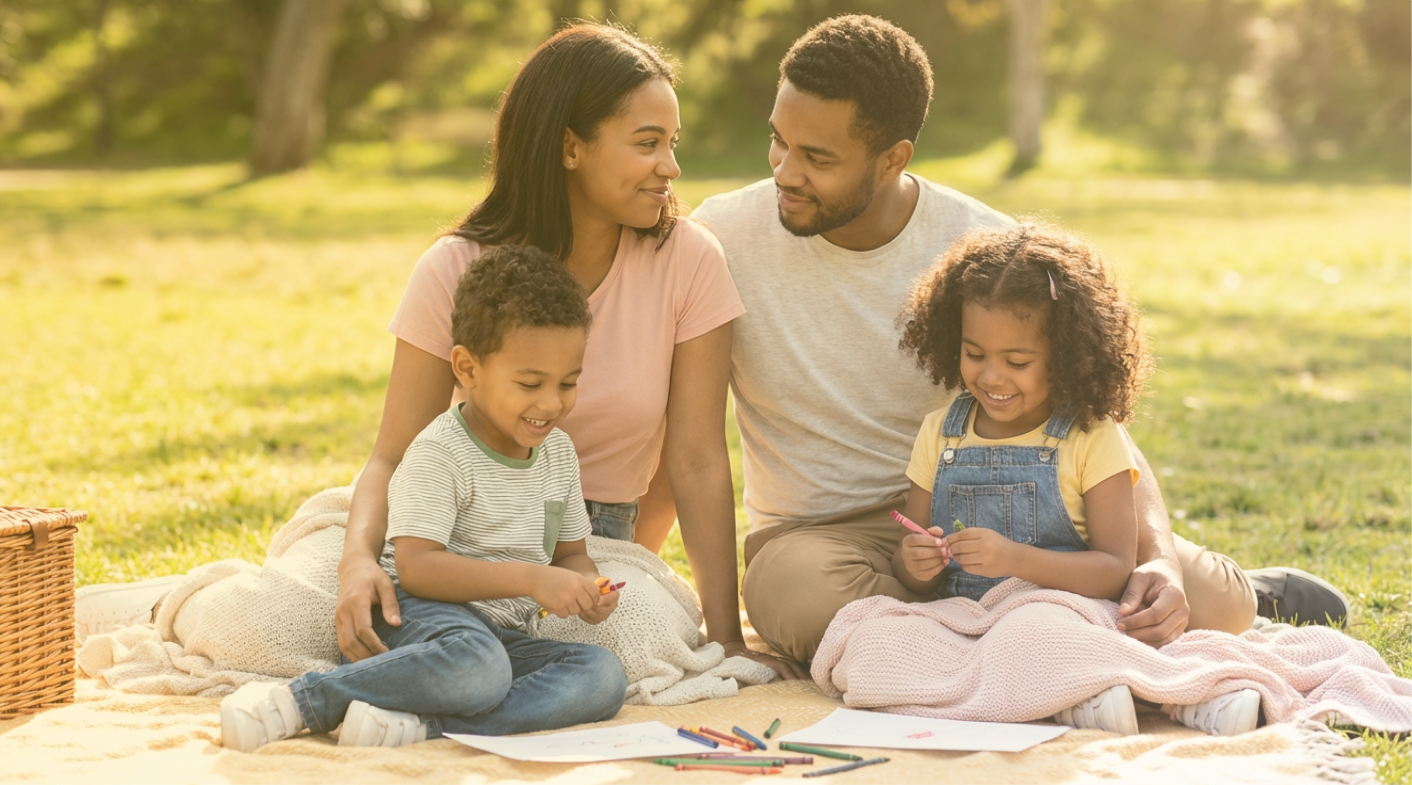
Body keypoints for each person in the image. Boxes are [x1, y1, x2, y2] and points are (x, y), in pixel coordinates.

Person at [75, 23, 804, 681]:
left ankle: (427, 669)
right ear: (569, 145)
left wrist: (721, 630)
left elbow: (699, 459)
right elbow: (392, 455)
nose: (670, 166)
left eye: (671, 143)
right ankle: (180, 601)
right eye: (647, 143)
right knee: (276, 627)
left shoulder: (690, 261)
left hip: (584, 551)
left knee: (638, 639)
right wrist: (361, 559)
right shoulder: (456, 267)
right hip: (438, 535)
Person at [687, 14, 1348, 666]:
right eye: (778, 141)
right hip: (825, 540)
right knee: (804, 600)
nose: (784, 170)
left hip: (1002, 508)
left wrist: (1160, 561)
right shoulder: (722, 238)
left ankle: (1216, 595)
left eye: (817, 157)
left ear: (893, 159)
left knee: (1211, 607)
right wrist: (723, 633)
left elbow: (1098, 425)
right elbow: (690, 447)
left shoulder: (984, 247)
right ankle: (1039, 629)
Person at [220, 245, 628, 752]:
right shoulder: (441, 450)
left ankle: (420, 727)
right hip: (415, 618)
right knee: (478, 666)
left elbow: (570, 554)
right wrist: (531, 579)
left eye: (568, 383)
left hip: (494, 637)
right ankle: (305, 700)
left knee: (601, 674)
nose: (551, 402)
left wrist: (588, 584)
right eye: (529, 383)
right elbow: (417, 567)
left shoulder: (558, 453)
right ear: (467, 368)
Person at [892, 222, 1260, 736]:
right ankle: (1098, 691)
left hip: (1072, 611)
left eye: (1017, 361)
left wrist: (1015, 560)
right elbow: (913, 556)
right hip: (971, 620)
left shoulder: (1089, 436)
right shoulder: (940, 433)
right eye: (974, 354)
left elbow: (1114, 568)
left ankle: (1188, 693)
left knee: (1041, 630)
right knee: (874, 635)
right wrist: (917, 562)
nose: (992, 376)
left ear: (1064, 358)